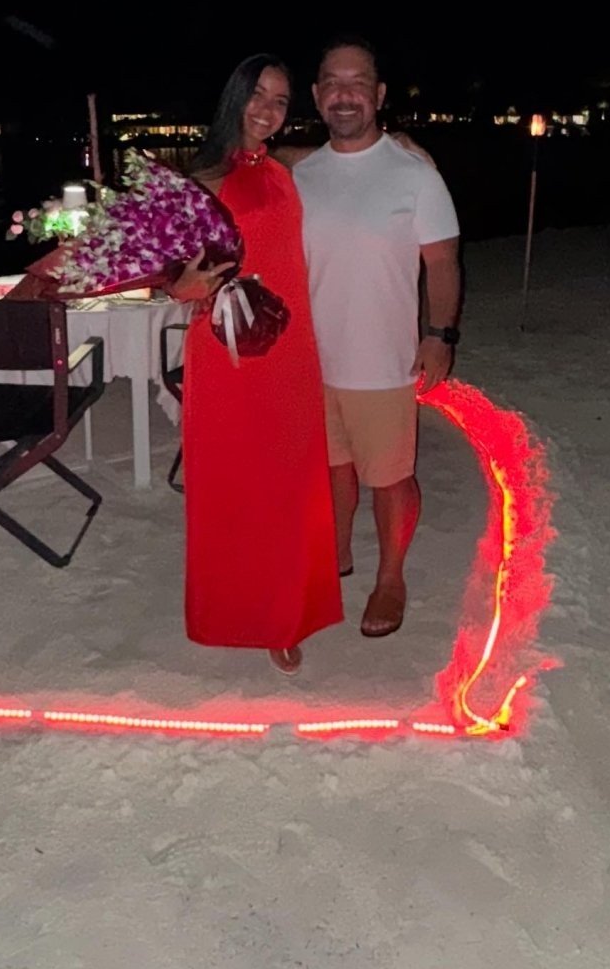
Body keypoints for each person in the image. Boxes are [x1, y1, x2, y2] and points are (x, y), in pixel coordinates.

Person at [168, 54, 342, 675]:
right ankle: (235, 610)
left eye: (280, 100)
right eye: (258, 95)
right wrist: (181, 288)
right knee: (236, 482)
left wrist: (399, 142)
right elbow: (173, 274)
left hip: (291, 349)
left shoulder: (283, 170)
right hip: (229, 350)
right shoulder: (202, 180)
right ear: (236, 96)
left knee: (289, 480)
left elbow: (334, 158)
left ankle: (285, 616)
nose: (268, 110)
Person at [292, 38, 461, 638]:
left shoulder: (415, 174)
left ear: (379, 94)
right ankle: (337, 552)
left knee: (390, 477)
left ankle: (391, 578)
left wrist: (439, 335)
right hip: (312, 358)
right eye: (333, 83)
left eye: (358, 83)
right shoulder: (302, 174)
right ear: (317, 95)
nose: (345, 95)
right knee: (333, 468)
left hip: (383, 361)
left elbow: (443, 262)